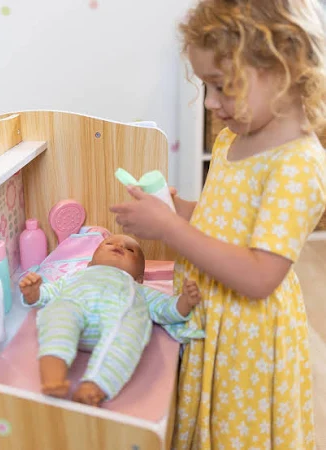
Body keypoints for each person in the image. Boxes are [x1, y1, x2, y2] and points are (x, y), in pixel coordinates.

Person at [110, 0, 326, 447]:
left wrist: (171, 230)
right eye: (206, 86)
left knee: (235, 432)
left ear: (284, 69)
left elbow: (260, 276)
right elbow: (223, 219)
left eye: (222, 86)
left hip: (248, 340)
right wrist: (177, 210)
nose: (209, 102)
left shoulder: (297, 165)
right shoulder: (233, 138)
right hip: (213, 316)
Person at [19, 234, 204, 406]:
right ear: (90, 264)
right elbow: (48, 294)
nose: (119, 245)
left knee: (131, 327)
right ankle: (53, 375)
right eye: (109, 243)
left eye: (130, 250)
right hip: (76, 311)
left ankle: (96, 385)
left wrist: (185, 301)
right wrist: (34, 293)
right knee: (59, 310)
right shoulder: (74, 277)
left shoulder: (137, 288)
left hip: (116, 320)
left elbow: (166, 308)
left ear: (140, 278)